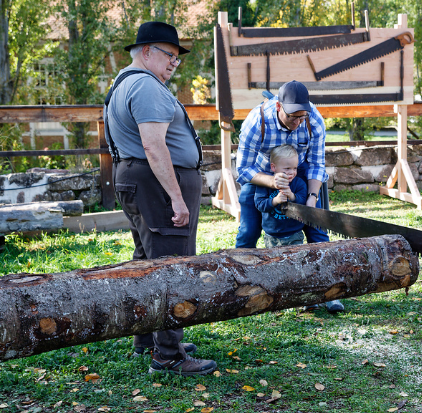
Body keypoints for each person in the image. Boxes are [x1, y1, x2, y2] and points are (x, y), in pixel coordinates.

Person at [105, 21, 216, 375]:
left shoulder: (123, 82)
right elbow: (154, 147)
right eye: (170, 55)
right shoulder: (147, 87)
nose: (173, 63)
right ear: (148, 51)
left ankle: (148, 340)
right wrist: (177, 198)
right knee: (172, 266)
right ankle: (168, 355)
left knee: (147, 262)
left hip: (135, 178)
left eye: (177, 59)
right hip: (155, 184)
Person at [236, 80, 344, 313]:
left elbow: (316, 164)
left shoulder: (313, 119)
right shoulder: (257, 122)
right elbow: (243, 169)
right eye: (292, 116)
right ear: (278, 107)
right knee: (248, 232)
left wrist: (311, 201)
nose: (297, 122)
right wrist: (271, 182)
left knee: (318, 231)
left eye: (301, 117)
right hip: (263, 173)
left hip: (301, 172)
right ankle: (239, 292)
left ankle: (329, 292)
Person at [254, 145, 307, 247]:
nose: (292, 172)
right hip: (272, 236)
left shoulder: (299, 183)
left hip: (294, 234)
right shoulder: (264, 184)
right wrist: (275, 200)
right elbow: (260, 204)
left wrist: (292, 196)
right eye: (287, 168)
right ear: (273, 167)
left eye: (295, 168)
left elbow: (303, 203)